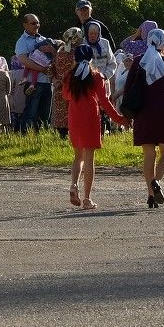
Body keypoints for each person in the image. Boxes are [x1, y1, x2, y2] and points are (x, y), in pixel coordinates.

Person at [63, 43, 130, 210]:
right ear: (91, 58)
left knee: (78, 156)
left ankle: (73, 185)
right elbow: (104, 101)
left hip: (74, 117)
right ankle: (87, 199)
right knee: (89, 159)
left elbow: (65, 95)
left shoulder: (69, 76)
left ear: (75, 58)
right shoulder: (96, 76)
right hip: (90, 118)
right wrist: (118, 118)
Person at [127, 28, 164, 209]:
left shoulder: (138, 62)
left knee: (149, 154)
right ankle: (156, 183)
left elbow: (129, 88)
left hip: (143, 111)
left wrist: (127, 114)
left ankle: (151, 192)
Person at [14, 14, 53, 133]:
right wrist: (42, 69)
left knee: (45, 114)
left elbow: (53, 57)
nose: (37, 25)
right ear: (25, 25)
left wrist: (52, 50)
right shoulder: (22, 41)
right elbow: (24, 60)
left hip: (47, 81)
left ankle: (42, 136)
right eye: (33, 23)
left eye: (38, 23)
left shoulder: (43, 39)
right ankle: (26, 136)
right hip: (33, 83)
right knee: (31, 112)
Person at [49, 27, 82, 138]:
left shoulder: (60, 50)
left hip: (59, 88)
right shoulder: (77, 52)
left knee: (61, 114)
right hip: (72, 88)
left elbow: (50, 68)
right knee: (71, 112)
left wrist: (54, 80)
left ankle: (62, 136)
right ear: (76, 38)